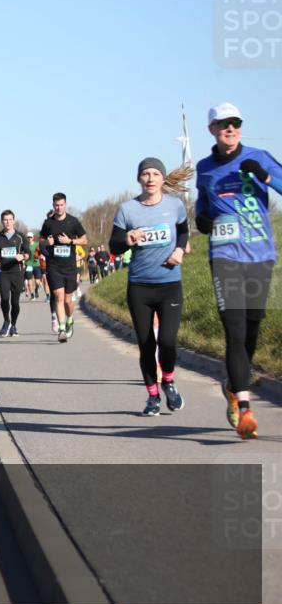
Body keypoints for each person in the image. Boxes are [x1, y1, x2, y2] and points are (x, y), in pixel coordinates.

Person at [195, 102, 282, 439]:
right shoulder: (204, 168)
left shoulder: (259, 157)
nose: (230, 128)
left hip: (260, 256)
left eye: (235, 123)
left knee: (251, 331)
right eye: (223, 124)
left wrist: (265, 177)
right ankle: (245, 409)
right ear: (212, 130)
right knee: (234, 330)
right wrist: (202, 218)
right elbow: (202, 204)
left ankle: (233, 384)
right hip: (225, 256)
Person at [109, 157, 192, 416]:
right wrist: (127, 239)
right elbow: (113, 245)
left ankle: (168, 380)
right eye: (146, 174)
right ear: (139, 179)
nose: (150, 178)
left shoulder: (175, 205)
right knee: (146, 344)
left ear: (163, 178)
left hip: (169, 284)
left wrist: (179, 250)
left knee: (167, 341)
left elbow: (183, 232)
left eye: (156, 173)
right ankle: (153, 397)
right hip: (140, 287)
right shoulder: (127, 210)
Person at [40, 194, 88, 342]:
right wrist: (47, 243)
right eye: (56, 205)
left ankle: (69, 319)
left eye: (61, 205)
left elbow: (84, 240)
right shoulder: (48, 223)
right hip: (54, 266)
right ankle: (61, 328)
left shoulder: (73, 221)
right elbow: (41, 239)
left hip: (70, 267)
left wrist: (70, 241)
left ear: (65, 204)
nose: (59, 208)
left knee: (67, 300)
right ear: (53, 205)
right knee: (58, 296)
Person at [0, 210, 30, 337]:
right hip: (3, 272)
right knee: (4, 299)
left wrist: (22, 256)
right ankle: (6, 321)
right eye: (5, 220)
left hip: (17, 272)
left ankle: (13, 325)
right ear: (2, 221)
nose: (7, 222)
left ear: (14, 221)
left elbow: (28, 254)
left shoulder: (21, 237)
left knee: (15, 302)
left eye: (10, 219)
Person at [24, 231, 40, 298]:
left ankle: (36, 290)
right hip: (28, 264)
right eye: (28, 237)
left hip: (36, 264)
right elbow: (23, 254)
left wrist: (40, 256)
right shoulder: (25, 245)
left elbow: (41, 251)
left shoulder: (37, 244)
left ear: (33, 237)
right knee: (29, 280)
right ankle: (32, 294)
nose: (29, 238)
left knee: (37, 282)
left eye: (30, 237)